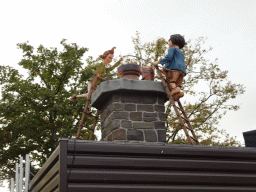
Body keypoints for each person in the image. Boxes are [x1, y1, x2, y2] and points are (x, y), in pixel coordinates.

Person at [153, 34, 186, 100]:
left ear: (172, 41)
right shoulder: (181, 52)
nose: (168, 43)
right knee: (178, 84)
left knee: (171, 81)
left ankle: (174, 89)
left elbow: (169, 58)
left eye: (169, 41)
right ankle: (178, 93)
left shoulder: (172, 49)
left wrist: (159, 62)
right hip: (182, 71)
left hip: (174, 69)